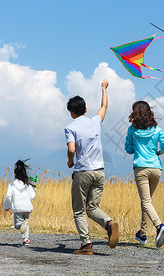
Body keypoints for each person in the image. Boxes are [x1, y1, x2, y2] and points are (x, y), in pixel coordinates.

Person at [64, 79, 119, 255]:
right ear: (86, 109)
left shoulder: (70, 127)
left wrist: (70, 161)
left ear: (71, 112)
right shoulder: (95, 121)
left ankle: (86, 245)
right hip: (100, 172)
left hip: (83, 172)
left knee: (79, 210)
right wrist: (103, 88)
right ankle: (109, 223)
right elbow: (104, 106)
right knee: (93, 208)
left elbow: (71, 148)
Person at [125, 101, 164, 248]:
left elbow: (129, 149)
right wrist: (157, 153)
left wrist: (137, 148)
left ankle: (159, 226)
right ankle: (142, 233)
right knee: (147, 200)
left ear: (135, 113)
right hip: (156, 168)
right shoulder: (157, 129)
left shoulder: (132, 130)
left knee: (145, 201)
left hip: (141, 168)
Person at [4, 159, 36, 246]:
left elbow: (8, 197)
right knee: (26, 225)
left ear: (15, 175)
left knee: (18, 226)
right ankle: (26, 239)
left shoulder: (11, 185)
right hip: (27, 207)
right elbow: (32, 196)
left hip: (18, 208)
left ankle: (22, 225)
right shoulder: (27, 184)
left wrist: (6, 207)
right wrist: (34, 188)